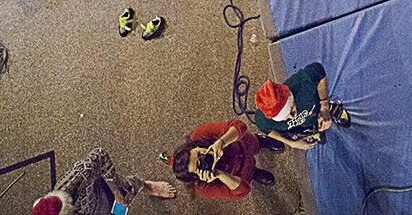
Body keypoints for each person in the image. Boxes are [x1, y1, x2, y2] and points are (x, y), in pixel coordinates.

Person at [31, 147, 175, 215]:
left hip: (105, 192)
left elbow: (99, 156)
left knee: (130, 186)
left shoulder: (75, 180)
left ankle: (148, 186)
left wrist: (116, 191)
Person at [169, 119, 283, 198]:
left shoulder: (198, 135)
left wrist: (222, 142)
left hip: (243, 142)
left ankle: (260, 141)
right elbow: (243, 191)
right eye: (199, 165)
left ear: (194, 147)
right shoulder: (202, 188)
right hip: (239, 173)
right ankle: (254, 173)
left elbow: (239, 125)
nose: (204, 158)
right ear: (196, 176)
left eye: (199, 154)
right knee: (247, 174)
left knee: (254, 142)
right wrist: (219, 174)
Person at [254, 62, 351, 149]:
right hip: (302, 124)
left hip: (315, 106)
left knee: (317, 106)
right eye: (283, 118)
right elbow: (265, 129)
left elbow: (318, 70)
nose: (292, 117)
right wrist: (291, 143)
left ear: (291, 99)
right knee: (296, 133)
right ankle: (312, 129)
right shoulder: (262, 119)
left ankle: (330, 108)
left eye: (291, 111)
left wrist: (324, 106)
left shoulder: (303, 84)